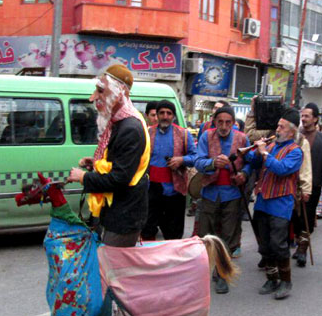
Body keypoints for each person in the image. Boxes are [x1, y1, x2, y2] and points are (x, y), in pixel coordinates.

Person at [68, 64, 150, 248]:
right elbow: (119, 164)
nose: (93, 97)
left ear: (119, 92)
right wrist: (96, 164)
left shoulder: (130, 128)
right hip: (114, 213)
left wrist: (84, 177)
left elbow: (120, 178)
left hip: (123, 217)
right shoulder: (119, 122)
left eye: (100, 91)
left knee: (114, 272)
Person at [245, 108, 304, 299]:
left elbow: (281, 169)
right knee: (264, 244)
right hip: (263, 201)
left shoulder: (296, 152)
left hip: (281, 204)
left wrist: (263, 154)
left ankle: (286, 281)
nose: (276, 129)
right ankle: (271, 279)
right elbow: (254, 162)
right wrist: (252, 150)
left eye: (281, 126)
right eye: (278, 125)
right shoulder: (271, 146)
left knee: (278, 244)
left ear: (292, 131)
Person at [194, 104, 251, 293]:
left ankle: (221, 274)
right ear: (214, 122)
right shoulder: (206, 137)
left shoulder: (242, 138)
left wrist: (244, 173)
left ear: (234, 123)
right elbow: (198, 161)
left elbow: (251, 163)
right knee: (207, 234)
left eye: (228, 122)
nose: (224, 126)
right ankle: (205, 270)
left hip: (232, 193)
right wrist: (211, 163)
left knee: (227, 234)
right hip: (210, 192)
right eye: (220, 122)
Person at [142, 100, 196, 242]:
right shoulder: (147, 133)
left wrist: (181, 160)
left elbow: (195, 157)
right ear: (157, 115)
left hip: (174, 190)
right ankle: (150, 259)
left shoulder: (183, 134)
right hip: (151, 189)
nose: (165, 116)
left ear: (173, 116)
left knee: (173, 232)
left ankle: (172, 261)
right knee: (147, 228)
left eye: (169, 113)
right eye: (162, 113)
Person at [293, 103, 322, 267]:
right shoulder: (295, 136)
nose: (303, 118)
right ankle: (298, 241)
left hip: (314, 185)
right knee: (295, 218)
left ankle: (302, 250)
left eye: (307, 116)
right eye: (302, 116)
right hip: (293, 185)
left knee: (308, 218)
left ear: (315, 119)